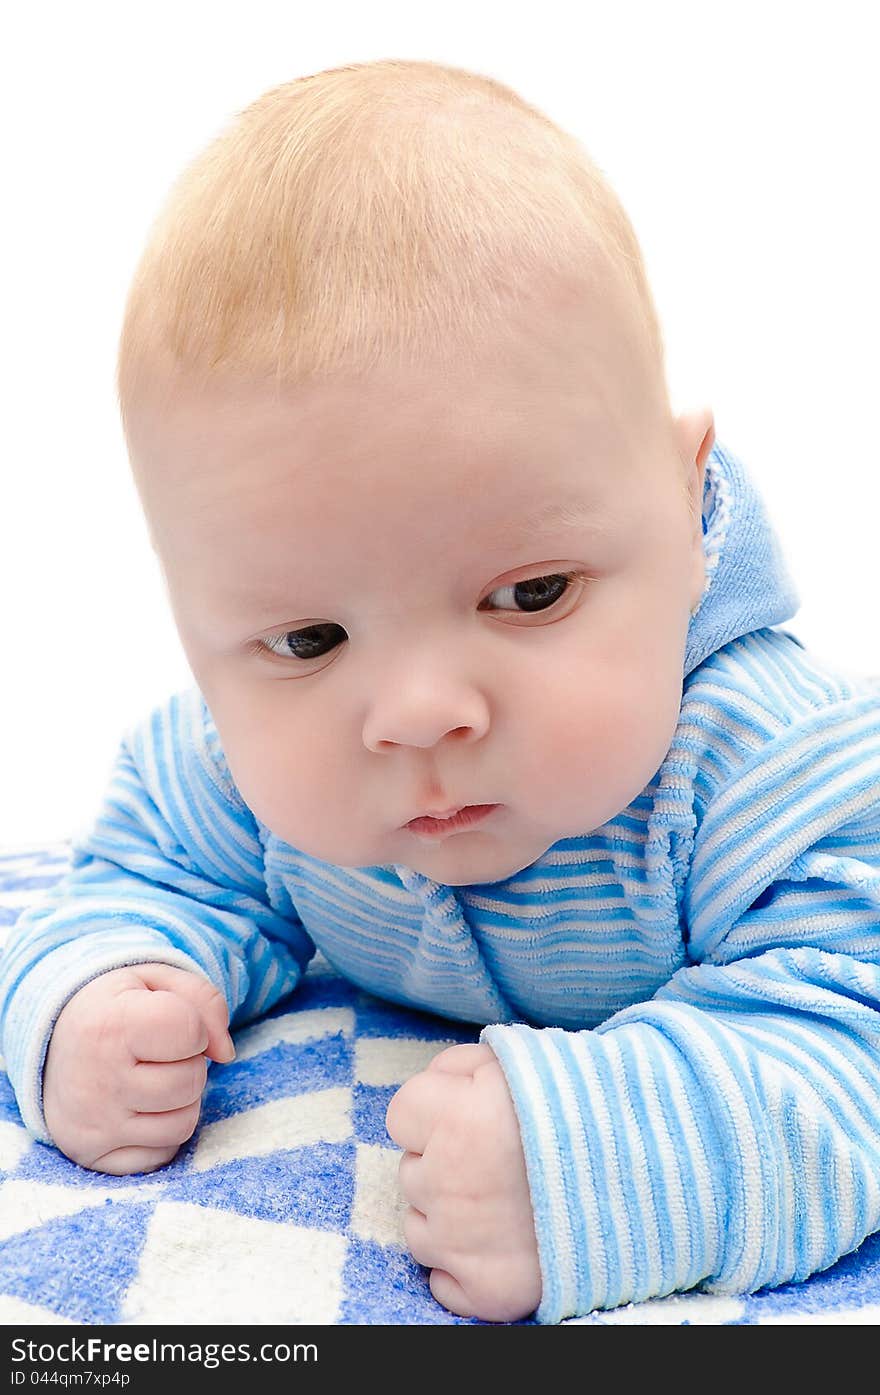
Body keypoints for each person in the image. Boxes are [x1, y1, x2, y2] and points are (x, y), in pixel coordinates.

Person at [3, 57, 880, 1327]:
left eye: (529, 595)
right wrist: (100, 988)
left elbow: (855, 1046)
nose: (417, 713)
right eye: (308, 638)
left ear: (686, 509)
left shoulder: (771, 773)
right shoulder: (232, 764)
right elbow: (151, 870)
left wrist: (592, 1162)